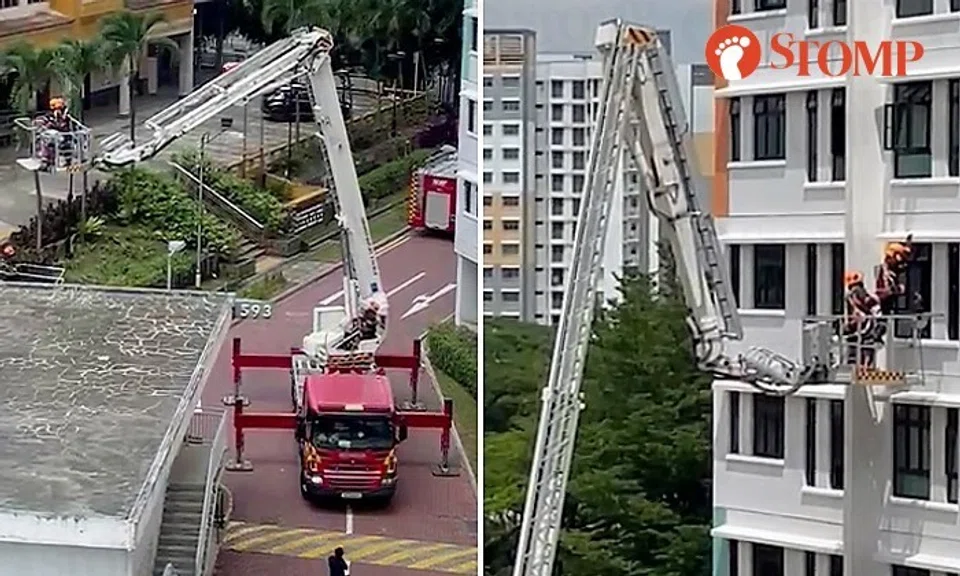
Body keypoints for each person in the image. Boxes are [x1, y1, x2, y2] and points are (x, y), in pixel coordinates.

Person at [842, 270, 884, 367]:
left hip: (865, 332)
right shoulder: (851, 297)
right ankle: (858, 368)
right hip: (857, 332)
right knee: (856, 355)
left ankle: (864, 368)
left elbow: (876, 314)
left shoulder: (868, 299)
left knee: (865, 354)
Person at [875, 238, 913, 315]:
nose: (902, 264)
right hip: (883, 306)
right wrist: (896, 289)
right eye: (900, 259)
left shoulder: (895, 271)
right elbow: (882, 291)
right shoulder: (884, 271)